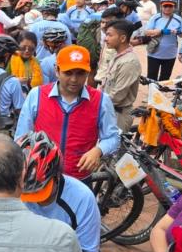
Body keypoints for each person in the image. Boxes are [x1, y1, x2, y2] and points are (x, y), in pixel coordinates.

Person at [15, 45, 119, 180]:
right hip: (42, 177)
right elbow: (21, 137)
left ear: (88, 73)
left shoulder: (101, 101)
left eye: (80, 73)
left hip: (80, 177)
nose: (74, 79)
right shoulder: (37, 95)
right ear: (57, 71)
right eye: (68, 73)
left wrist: (98, 150)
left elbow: (112, 137)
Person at [101, 20, 141, 132]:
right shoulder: (118, 56)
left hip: (118, 116)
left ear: (122, 38)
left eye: (109, 35)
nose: (105, 38)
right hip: (109, 110)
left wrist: (97, 103)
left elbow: (118, 95)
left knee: (115, 142)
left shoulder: (129, 62)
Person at [144, 0, 182, 81]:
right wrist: (161, 31)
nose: (167, 8)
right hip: (154, 53)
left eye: (170, 6)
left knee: (165, 78)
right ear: (161, 6)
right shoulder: (155, 18)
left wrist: (179, 32)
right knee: (151, 78)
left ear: (174, 7)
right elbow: (147, 32)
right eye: (165, 6)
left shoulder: (178, 19)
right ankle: (152, 90)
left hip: (170, 54)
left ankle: (161, 90)